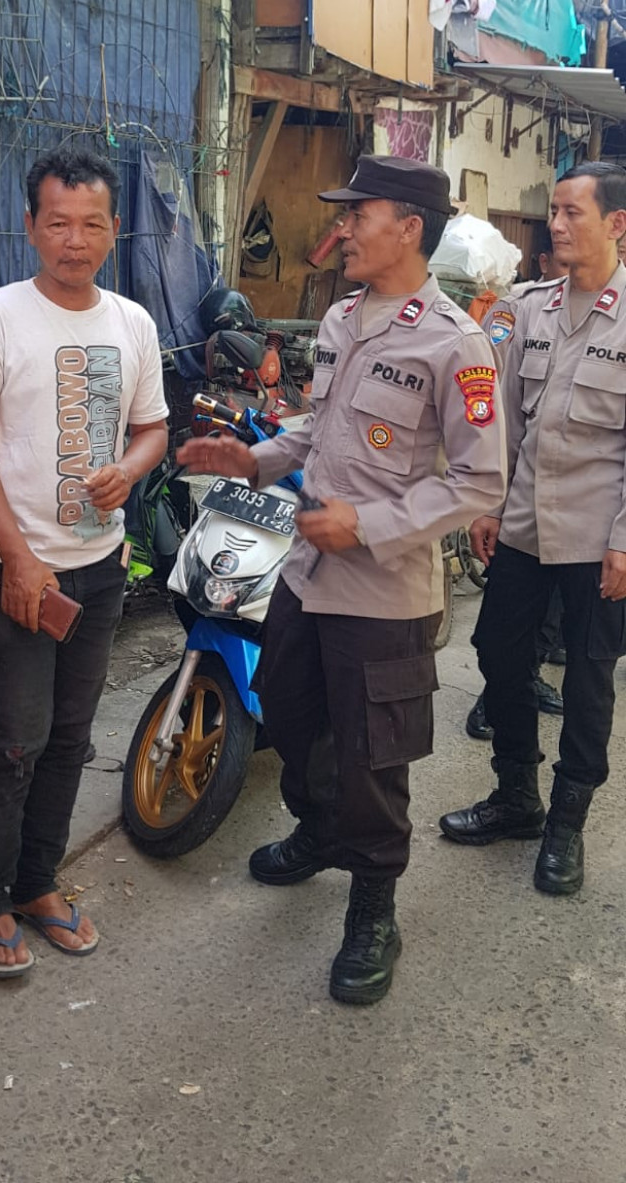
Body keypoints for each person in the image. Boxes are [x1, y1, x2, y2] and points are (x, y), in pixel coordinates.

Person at [178, 155, 506, 1006]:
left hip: (385, 597)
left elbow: (478, 482)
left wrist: (367, 522)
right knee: (289, 711)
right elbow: (319, 431)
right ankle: (320, 829)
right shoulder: (342, 319)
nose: (343, 229)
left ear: (408, 227)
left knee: (373, 759)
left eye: (359, 214)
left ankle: (373, 904)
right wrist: (252, 456)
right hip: (308, 577)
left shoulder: (455, 342)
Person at [0, 147, 169, 978]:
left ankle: (38, 883)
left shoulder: (133, 322)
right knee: (14, 739)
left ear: (114, 229)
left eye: (92, 224)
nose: (74, 240)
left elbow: (153, 426)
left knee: (71, 736)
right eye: (58, 222)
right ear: (32, 225)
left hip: (100, 565)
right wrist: (17, 557)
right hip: (10, 563)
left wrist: (133, 466)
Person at [441, 161, 626, 897]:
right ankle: (517, 794)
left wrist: (624, 539)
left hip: (596, 539)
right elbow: (507, 425)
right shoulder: (534, 309)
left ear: (616, 223)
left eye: (572, 212)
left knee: (587, 680)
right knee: (496, 654)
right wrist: (487, 503)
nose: (556, 224)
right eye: (553, 210)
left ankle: (566, 824)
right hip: (522, 527)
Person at [464, 227, 566, 741]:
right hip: (522, 485)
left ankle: (526, 681)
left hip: (573, 503)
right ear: (543, 261)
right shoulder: (517, 308)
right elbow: (497, 389)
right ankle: (493, 699)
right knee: (508, 624)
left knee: (551, 615)